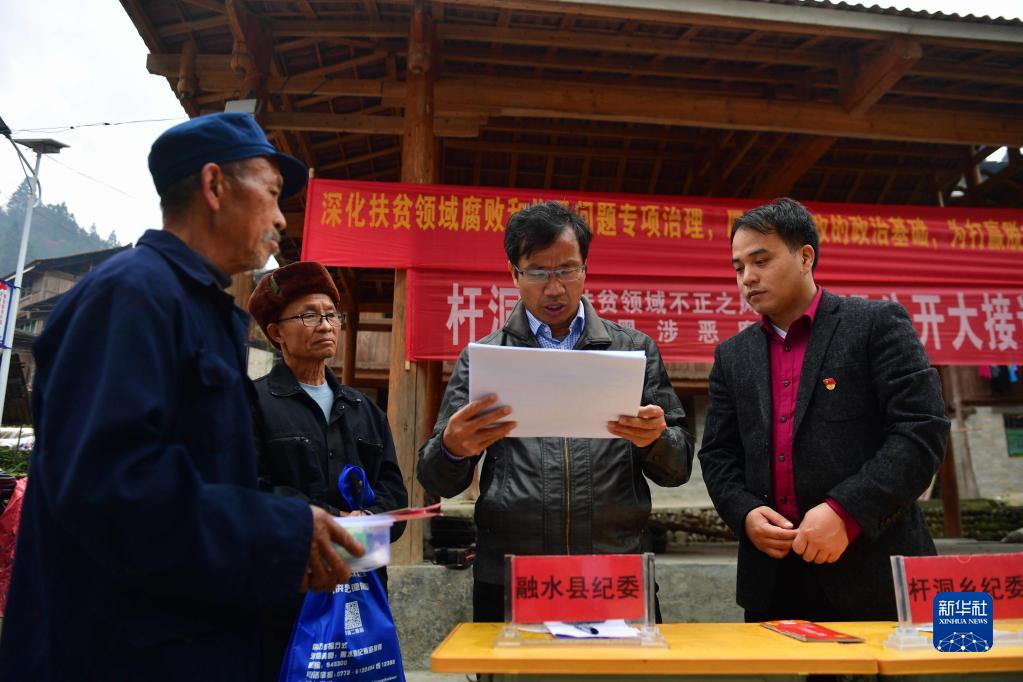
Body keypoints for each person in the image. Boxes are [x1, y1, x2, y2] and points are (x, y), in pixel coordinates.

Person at [0, 113, 363, 681]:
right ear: (214, 185)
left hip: (189, 640)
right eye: (271, 193)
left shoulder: (198, 308)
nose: (281, 217)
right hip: (115, 652)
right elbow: (111, 487)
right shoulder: (130, 296)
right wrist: (280, 529)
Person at [417, 201, 694, 623]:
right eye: (538, 272)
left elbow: (677, 469)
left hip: (613, 573)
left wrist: (657, 440)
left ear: (585, 269)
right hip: (514, 575)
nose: (554, 288)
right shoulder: (484, 359)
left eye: (567, 269)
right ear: (514, 274)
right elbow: (436, 479)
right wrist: (452, 448)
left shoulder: (632, 351)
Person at [699, 197, 950, 622]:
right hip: (773, 579)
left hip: (872, 568)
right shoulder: (732, 356)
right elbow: (718, 454)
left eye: (761, 260)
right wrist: (744, 512)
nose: (748, 278)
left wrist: (846, 512)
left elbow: (920, 431)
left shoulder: (874, 324)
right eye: (739, 267)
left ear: (805, 257)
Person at [246, 260, 408, 669]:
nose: (325, 325)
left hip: (360, 590)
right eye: (309, 316)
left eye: (332, 315)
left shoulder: (364, 410)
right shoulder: (252, 403)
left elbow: (394, 494)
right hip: (285, 594)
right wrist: (332, 520)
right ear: (276, 333)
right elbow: (250, 491)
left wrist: (366, 518)